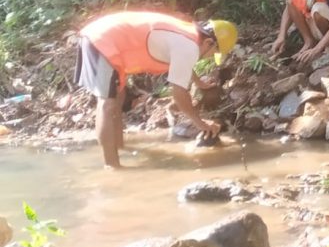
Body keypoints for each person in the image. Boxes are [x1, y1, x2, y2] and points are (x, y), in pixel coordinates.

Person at [75, 10, 238, 168]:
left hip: (106, 36)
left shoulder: (188, 37)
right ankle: (111, 166)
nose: (209, 57)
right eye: (213, 53)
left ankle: (119, 149)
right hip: (102, 40)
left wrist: (199, 83)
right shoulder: (188, 46)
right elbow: (179, 93)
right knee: (108, 103)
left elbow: (182, 63)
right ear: (209, 42)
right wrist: (200, 123)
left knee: (117, 98)